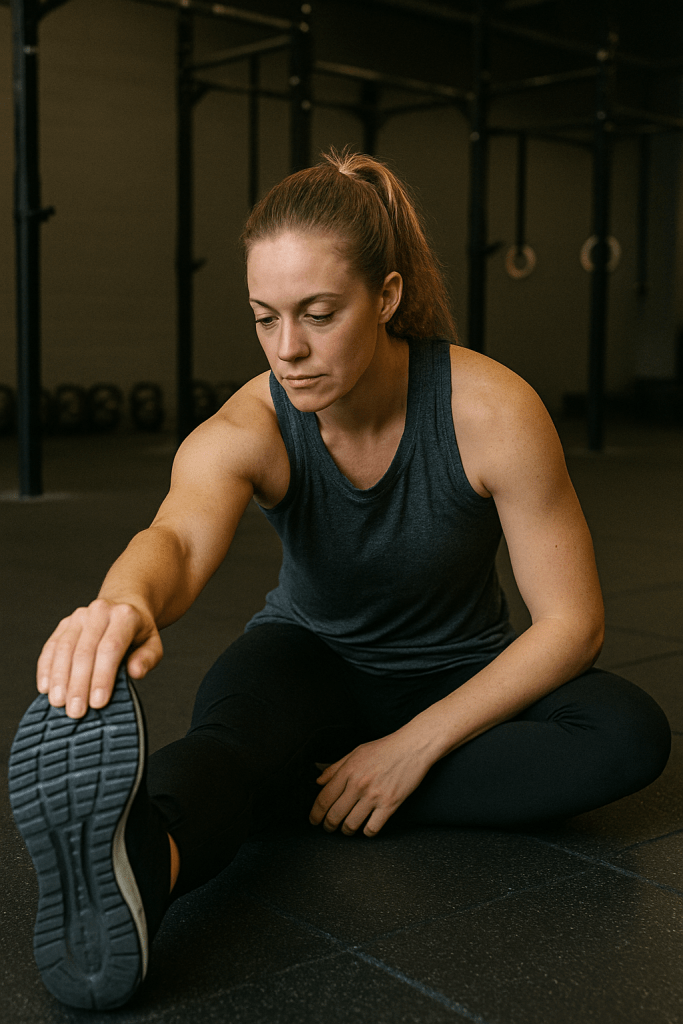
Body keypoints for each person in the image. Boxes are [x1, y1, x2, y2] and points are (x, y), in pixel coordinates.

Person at [8, 149, 670, 1011]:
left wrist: (409, 749)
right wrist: (124, 601)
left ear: (386, 297)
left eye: (319, 314)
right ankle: (145, 862)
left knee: (625, 735)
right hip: (307, 660)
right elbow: (173, 532)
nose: (289, 349)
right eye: (264, 318)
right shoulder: (249, 423)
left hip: (459, 673)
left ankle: (298, 791)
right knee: (231, 742)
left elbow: (571, 624)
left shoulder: (490, 410)